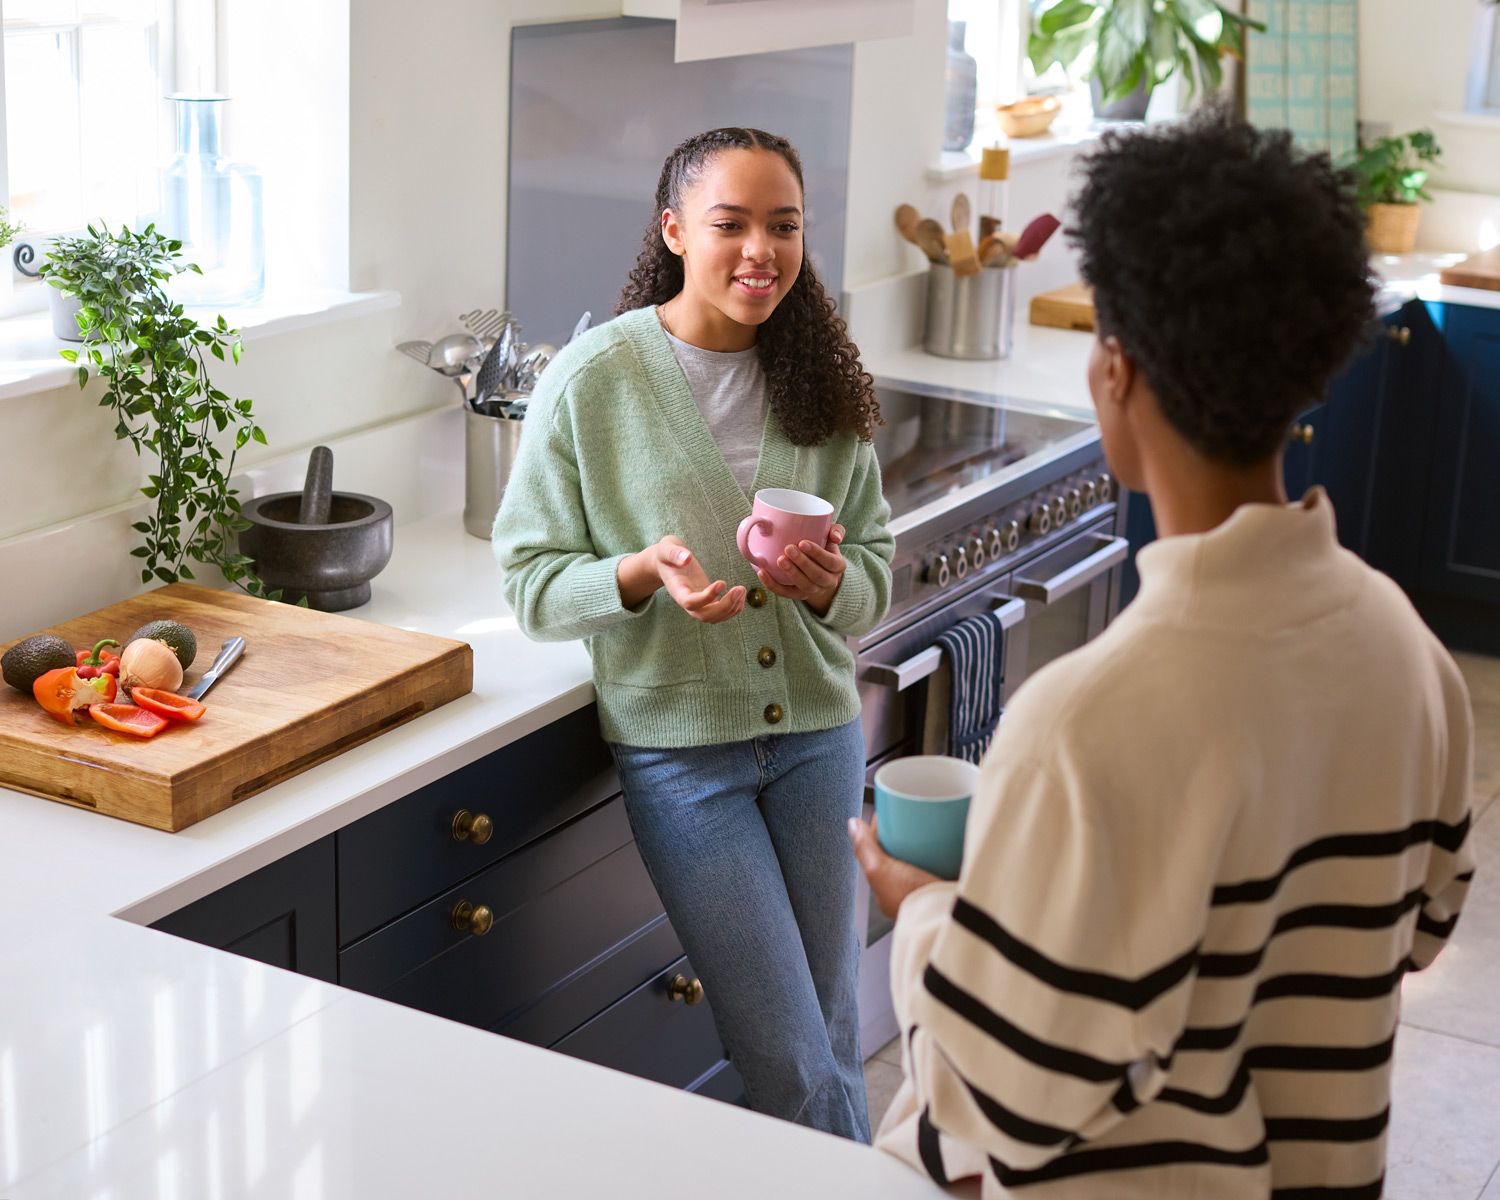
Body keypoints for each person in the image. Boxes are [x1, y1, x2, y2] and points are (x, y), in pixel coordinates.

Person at [849, 106, 1476, 1195]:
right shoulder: (1408, 651)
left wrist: (927, 911)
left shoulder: (1087, 718)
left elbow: (1017, 1093)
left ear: (1116, 371)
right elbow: (1418, 929)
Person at [494, 127, 893, 1141]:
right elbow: (531, 583)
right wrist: (638, 575)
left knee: (836, 1037)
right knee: (792, 1065)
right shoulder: (594, 378)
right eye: (730, 224)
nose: (760, 250)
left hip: (815, 739)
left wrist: (833, 582)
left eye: (784, 226)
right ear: (675, 230)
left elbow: (876, 573)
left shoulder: (823, 380)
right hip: (683, 760)